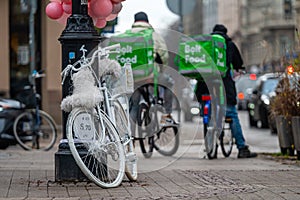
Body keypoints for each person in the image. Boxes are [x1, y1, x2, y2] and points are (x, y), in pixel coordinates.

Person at [196, 24, 257, 158]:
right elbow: (238, 64)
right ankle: (242, 148)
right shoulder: (229, 45)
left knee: (207, 113)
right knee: (232, 115)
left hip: (204, 87)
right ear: (225, 33)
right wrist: (239, 68)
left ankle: (210, 145)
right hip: (224, 88)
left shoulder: (205, 44)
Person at [129, 12, 176, 132]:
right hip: (151, 75)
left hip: (132, 77)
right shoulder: (154, 35)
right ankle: (167, 116)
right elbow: (163, 55)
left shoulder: (128, 36)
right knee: (169, 83)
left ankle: (129, 135)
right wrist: (161, 69)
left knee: (134, 104)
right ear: (147, 21)